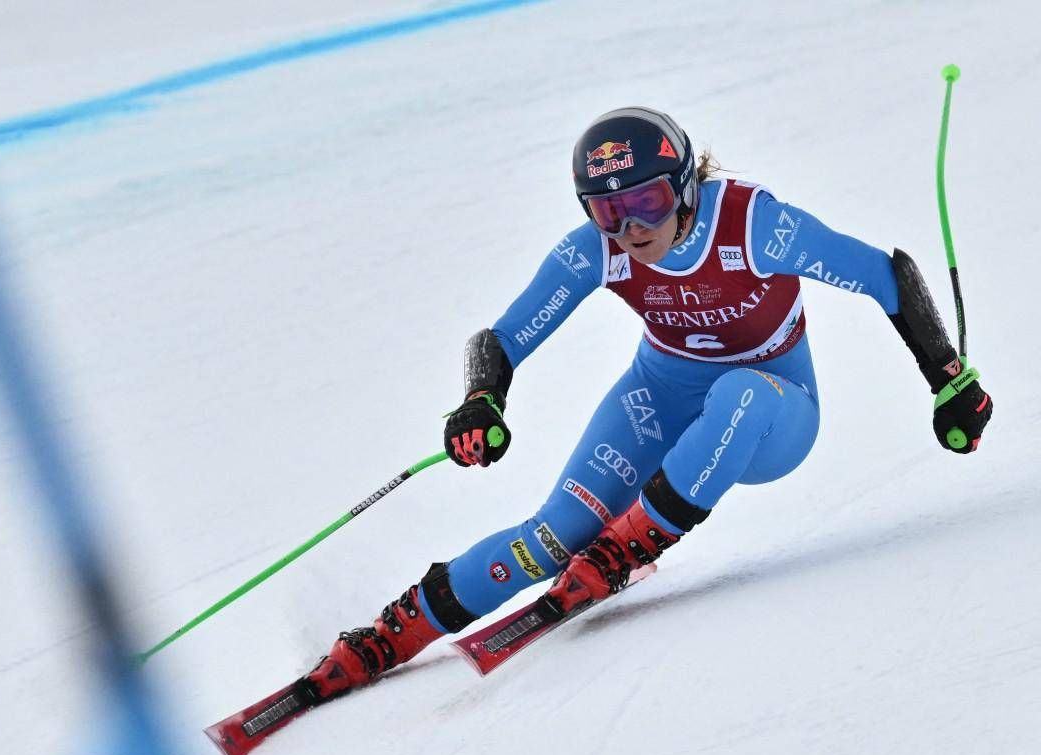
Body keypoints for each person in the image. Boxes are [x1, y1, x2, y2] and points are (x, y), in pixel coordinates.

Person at [301, 106, 993, 699]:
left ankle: (631, 543)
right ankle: (393, 633)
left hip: (773, 417)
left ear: (685, 186)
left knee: (739, 391)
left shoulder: (754, 225)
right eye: (608, 211)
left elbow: (885, 274)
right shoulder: (598, 251)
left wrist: (947, 378)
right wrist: (482, 400)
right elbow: (502, 337)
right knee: (552, 537)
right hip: (658, 398)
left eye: (648, 203)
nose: (630, 227)